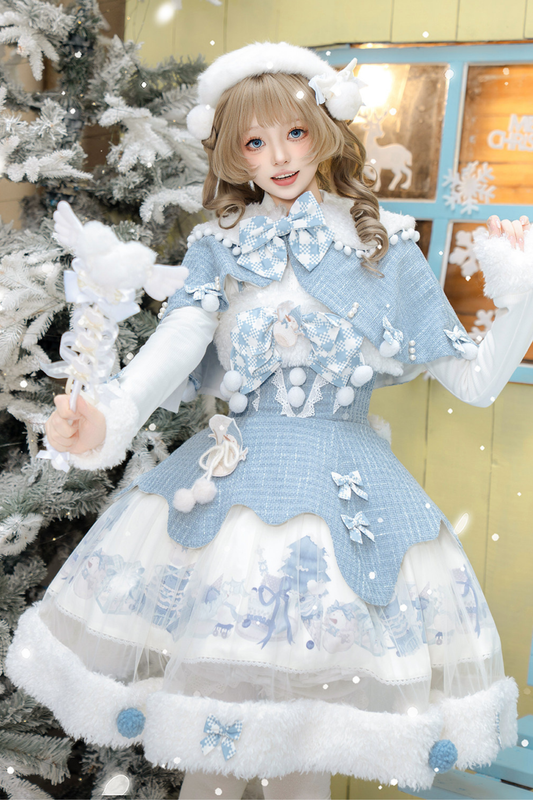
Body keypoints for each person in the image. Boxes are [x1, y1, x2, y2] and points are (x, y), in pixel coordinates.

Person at [6, 42, 533, 800]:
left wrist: (522, 297)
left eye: (293, 132)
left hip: (345, 506)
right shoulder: (219, 248)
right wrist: (108, 420)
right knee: (209, 735)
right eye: (254, 142)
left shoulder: (383, 247)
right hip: (229, 501)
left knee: (305, 741)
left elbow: (475, 383)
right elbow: (175, 345)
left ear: (324, 131)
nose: (278, 157)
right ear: (232, 154)